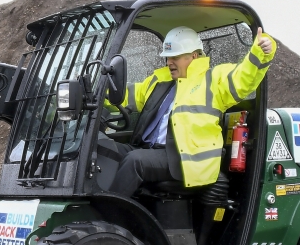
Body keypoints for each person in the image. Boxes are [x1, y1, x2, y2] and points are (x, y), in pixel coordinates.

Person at [109, 25, 276, 198]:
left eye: (175, 57)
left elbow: (243, 78)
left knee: (135, 161)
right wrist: (94, 94)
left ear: (194, 56)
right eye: (167, 57)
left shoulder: (213, 81)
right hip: (149, 149)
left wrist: (260, 51)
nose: (169, 63)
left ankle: (107, 216)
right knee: (101, 146)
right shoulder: (160, 80)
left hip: (185, 159)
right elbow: (124, 95)